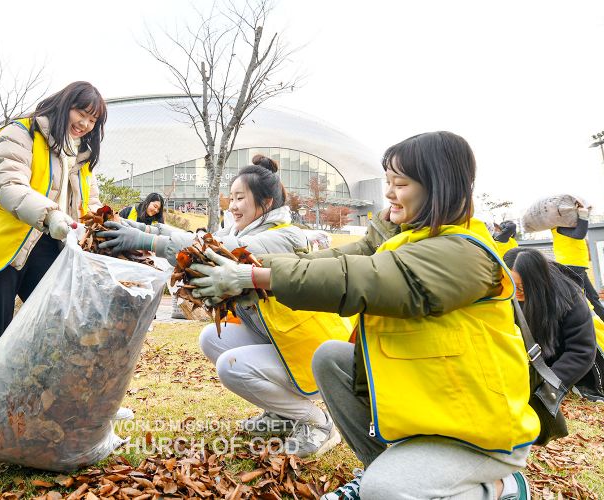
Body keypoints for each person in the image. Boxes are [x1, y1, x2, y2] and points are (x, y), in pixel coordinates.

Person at [190, 132, 537, 499]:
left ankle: (502, 486)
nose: (388, 193)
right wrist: (247, 274)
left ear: (439, 188)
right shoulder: (407, 241)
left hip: (478, 431)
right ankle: (377, 468)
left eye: (399, 183)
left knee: (385, 492)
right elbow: (335, 261)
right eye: (387, 181)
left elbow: (360, 278)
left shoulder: (462, 252)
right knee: (331, 356)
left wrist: (254, 275)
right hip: (435, 412)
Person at [99, 155, 351, 457]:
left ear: (266, 202)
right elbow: (200, 238)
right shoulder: (242, 231)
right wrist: (140, 228)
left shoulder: (285, 236)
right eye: (230, 197)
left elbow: (206, 250)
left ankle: (318, 423)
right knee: (211, 337)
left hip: (311, 349)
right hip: (281, 340)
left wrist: (145, 239)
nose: (231, 205)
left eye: (239, 198)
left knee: (232, 368)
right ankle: (284, 414)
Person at [0, 81, 107, 400]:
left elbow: (87, 205)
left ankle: (70, 404)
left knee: (64, 323)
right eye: (82, 113)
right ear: (64, 105)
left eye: (93, 121)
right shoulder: (19, 134)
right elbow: (8, 184)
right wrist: (51, 215)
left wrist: (100, 229)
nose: (85, 124)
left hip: (42, 245)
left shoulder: (79, 158)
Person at [503, 247, 599, 401]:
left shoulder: (568, 295)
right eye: (509, 285)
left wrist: (547, 387)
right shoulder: (503, 294)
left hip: (563, 366)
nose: (514, 292)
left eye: (521, 287)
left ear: (538, 281)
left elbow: (581, 350)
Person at [551, 204, 604, 322]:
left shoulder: (565, 228)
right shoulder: (560, 228)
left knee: (593, 297)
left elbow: (580, 228)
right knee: (577, 301)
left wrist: (583, 213)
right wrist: (583, 214)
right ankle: (578, 328)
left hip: (577, 266)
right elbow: (580, 233)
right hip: (570, 266)